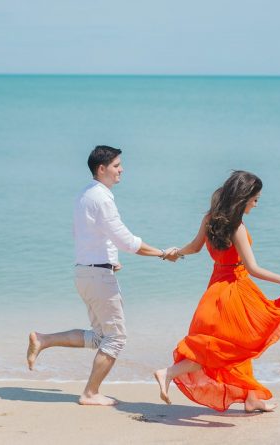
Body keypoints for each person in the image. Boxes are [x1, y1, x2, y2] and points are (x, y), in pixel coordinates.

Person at [27, 145, 179, 406]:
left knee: (100, 337)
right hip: (97, 276)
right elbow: (126, 240)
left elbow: (92, 235)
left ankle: (43, 339)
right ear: (102, 168)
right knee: (116, 337)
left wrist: (111, 260)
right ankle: (90, 393)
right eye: (117, 165)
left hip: (85, 272)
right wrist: (163, 253)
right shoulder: (102, 197)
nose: (122, 169)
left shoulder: (85, 194)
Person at [153, 170, 280, 412]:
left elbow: (194, 247)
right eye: (255, 199)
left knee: (236, 345)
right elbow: (252, 268)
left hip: (215, 289)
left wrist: (175, 252)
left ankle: (251, 399)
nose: (256, 204)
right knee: (227, 348)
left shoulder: (210, 218)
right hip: (235, 289)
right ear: (243, 198)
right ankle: (168, 372)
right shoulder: (237, 227)